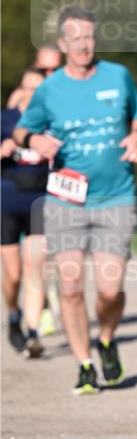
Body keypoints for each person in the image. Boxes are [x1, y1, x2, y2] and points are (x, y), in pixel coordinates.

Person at [13, 7, 137, 395]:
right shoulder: (50, 89)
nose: (85, 45)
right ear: (63, 43)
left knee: (109, 289)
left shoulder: (117, 77)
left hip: (115, 197)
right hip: (66, 200)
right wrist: (35, 140)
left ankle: (106, 338)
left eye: (90, 37)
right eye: (76, 39)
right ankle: (84, 363)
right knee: (70, 287)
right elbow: (23, 129)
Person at [1, 68, 49, 357]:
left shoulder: (50, 122)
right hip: (6, 202)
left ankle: (33, 333)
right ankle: (13, 314)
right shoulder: (5, 120)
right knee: (14, 274)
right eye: (28, 87)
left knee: (36, 269)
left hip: (40, 202)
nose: (32, 94)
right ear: (20, 89)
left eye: (38, 89)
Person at [5, 44, 62, 109]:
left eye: (55, 70)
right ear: (35, 66)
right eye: (43, 70)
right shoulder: (21, 95)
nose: (50, 74)